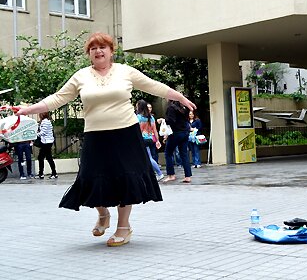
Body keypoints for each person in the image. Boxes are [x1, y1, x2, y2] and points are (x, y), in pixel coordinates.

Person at [15, 32, 195, 247]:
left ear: (111, 51)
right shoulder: (81, 76)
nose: (98, 51)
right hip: (95, 134)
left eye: (103, 47)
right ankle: (103, 214)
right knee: (91, 176)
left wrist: (180, 97)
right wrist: (28, 110)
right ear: (89, 54)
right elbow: (58, 98)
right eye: (93, 48)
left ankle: (124, 227)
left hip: (126, 133)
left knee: (125, 177)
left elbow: (154, 86)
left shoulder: (125, 72)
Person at [161, 100, 192, 183]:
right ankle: (188, 176)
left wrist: (163, 120)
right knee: (184, 154)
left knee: (168, 153)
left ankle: (171, 175)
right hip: (185, 133)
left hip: (176, 133)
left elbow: (170, 121)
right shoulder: (183, 108)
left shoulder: (171, 108)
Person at [136, 99, 164, 181]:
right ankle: (150, 174)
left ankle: (159, 173)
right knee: (147, 157)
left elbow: (139, 130)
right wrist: (157, 140)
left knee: (148, 158)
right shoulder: (150, 117)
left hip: (142, 139)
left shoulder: (139, 117)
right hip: (150, 139)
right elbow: (154, 130)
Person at [35, 111, 57, 179]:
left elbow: (43, 132)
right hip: (48, 142)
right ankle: (52, 173)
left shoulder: (45, 122)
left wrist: (35, 135)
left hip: (46, 142)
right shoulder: (47, 121)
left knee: (42, 157)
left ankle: (42, 174)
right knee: (47, 157)